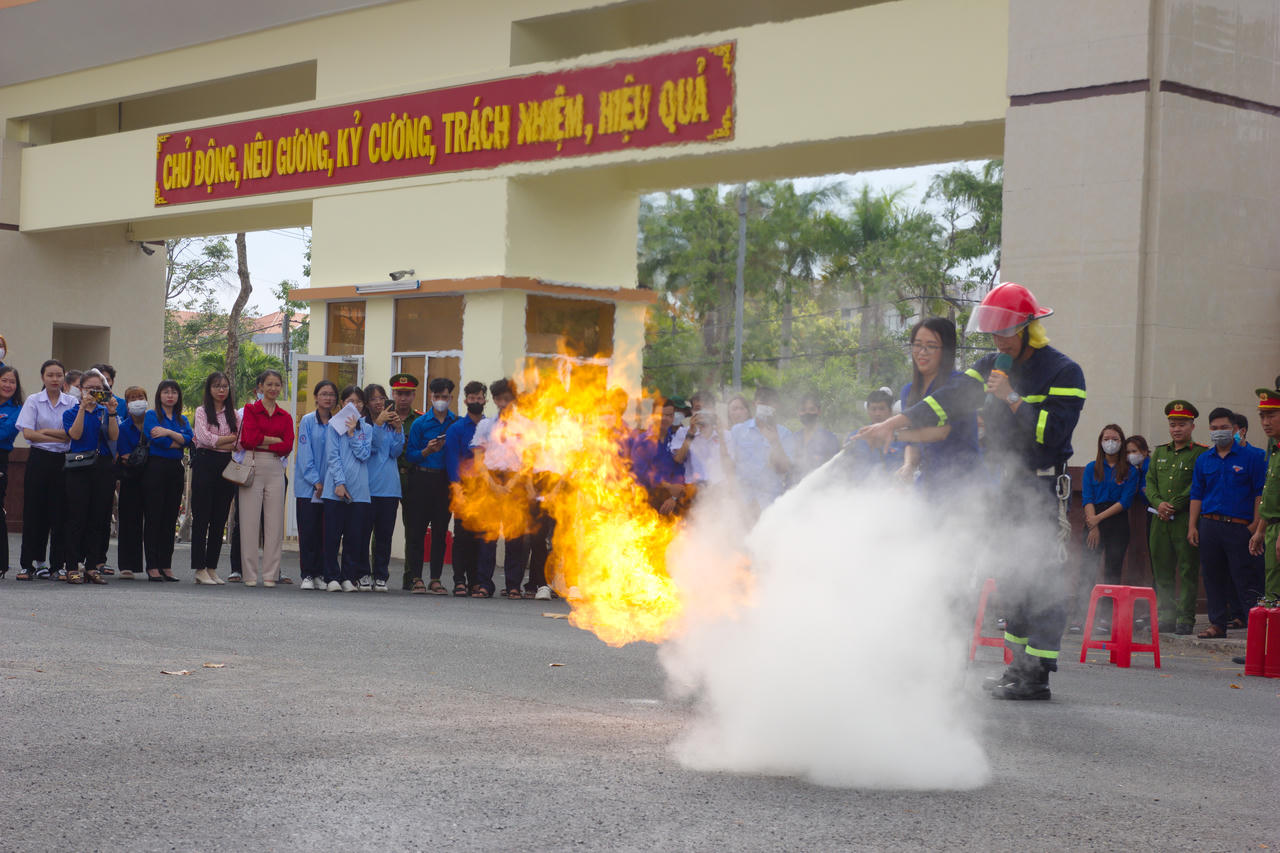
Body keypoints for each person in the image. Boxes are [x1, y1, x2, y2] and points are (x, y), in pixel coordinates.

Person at [863, 282, 1086, 700]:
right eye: (993, 333)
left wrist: (1013, 398)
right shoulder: (988, 364)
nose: (997, 341)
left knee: (1039, 577)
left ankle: (1037, 675)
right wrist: (891, 425)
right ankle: (1017, 668)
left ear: (1027, 329)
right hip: (1002, 484)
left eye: (1004, 332)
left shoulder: (1063, 372)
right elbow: (946, 399)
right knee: (1010, 575)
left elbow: (1052, 435)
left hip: (1039, 484)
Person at [1187, 407, 1266, 638]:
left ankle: (1256, 629)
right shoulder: (1204, 460)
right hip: (1209, 525)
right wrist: (1193, 526)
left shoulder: (1253, 457)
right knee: (1212, 576)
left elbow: (1260, 493)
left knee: (1245, 578)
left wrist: (1254, 525)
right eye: (1214, 428)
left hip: (1240, 527)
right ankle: (1217, 624)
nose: (1219, 432)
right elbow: (1197, 494)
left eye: (1224, 428)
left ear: (1235, 430)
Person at [894, 318, 981, 488]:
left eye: (931, 346)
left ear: (946, 351)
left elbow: (939, 432)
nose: (922, 352)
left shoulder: (959, 385)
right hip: (930, 481)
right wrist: (909, 465)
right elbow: (913, 438)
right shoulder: (908, 391)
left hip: (966, 483)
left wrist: (890, 433)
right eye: (917, 344)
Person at [1146, 401, 1209, 634]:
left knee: (1187, 569)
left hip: (1184, 519)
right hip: (1159, 519)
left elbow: (1198, 485)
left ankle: (1185, 617)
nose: (1176, 429)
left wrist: (1175, 504)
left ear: (1192, 426)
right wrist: (1157, 503)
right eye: (1173, 425)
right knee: (1161, 569)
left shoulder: (1200, 453)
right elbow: (1150, 482)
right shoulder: (1160, 452)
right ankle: (1166, 615)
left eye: (1181, 424)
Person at [471, 378, 532, 600]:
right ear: (494, 400)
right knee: (488, 536)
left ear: (513, 400)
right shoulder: (486, 426)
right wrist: (493, 485)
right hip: (491, 481)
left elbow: (528, 461)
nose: (503, 403)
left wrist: (511, 484)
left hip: (516, 481)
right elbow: (479, 460)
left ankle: (513, 585)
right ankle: (485, 584)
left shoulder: (524, 426)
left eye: (507, 399)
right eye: (499, 399)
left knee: (514, 536)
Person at [15, 359, 73, 580]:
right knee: (34, 512)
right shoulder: (33, 400)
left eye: (59, 375)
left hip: (62, 460)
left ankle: (58, 564)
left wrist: (45, 431)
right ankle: (30, 564)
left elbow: (71, 435)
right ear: (43, 378)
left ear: (64, 377)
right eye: (50, 375)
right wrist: (54, 433)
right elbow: (28, 434)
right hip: (38, 459)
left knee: (60, 513)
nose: (55, 379)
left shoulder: (71, 402)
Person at [1079, 424, 1139, 631]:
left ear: (1121, 442)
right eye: (1106, 438)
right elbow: (1087, 497)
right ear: (1100, 442)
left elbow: (1125, 501)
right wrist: (1092, 523)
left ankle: (1106, 618)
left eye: (1115, 439)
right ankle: (1082, 617)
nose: (1110, 443)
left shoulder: (1130, 470)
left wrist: (1098, 520)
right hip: (1092, 519)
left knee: (1113, 570)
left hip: (1116, 521)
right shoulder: (1091, 468)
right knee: (1087, 569)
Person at [237, 369, 293, 587]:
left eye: (277, 384)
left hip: (276, 467)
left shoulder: (285, 416)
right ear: (260, 386)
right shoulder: (251, 410)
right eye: (268, 384)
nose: (273, 388)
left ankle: (271, 574)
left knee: (274, 524)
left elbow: (287, 444)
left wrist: (264, 440)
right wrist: (273, 439)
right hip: (252, 464)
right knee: (249, 523)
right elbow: (248, 439)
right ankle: (250, 574)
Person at [62, 368, 118, 584]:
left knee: (98, 517)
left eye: (98, 389)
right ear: (80, 389)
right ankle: (72, 565)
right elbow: (74, 435)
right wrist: (83, 409)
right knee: (77, 517)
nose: (94, 392)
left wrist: (112, 412)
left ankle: (92, 565)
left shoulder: (105, 412)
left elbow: (114, 437)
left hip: (102, 467)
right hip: (79, 467)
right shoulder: (71, 412)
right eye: (89, 389)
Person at [404, 376, 459, 595]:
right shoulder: (420, 423)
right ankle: (416, 577)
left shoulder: (455, 423)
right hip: (421, 479)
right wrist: (427, 450)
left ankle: (435, 578)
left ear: (451, 398)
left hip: (444, 481)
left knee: (440, 532)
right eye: (437, 397)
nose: (440, 401)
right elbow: (410, 455)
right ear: (430, 396)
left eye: (444, 397)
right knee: (416, 531)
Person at [321, 385, 372, 592]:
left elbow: (364, 455)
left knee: (354, 537)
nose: (355, 405)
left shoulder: (367, 428)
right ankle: (331, 576)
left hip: (359, 491)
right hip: (336, 490)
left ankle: (348, 577)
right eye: (350, 401)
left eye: (359, 401)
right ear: (343, 404)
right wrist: (339, 484)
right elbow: (332, 457)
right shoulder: (333, 426)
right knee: (332, 536)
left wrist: (352, 434)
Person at [189, 372, 238, 585]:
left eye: (224, 386)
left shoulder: (234, 414)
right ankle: (199, 568)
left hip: (226, 466)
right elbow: (203, 439)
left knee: (220, 520)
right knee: (202, 518)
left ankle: (212, 567)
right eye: (217, 386)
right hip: (204, 463)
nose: (221, 390)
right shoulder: (201, 411)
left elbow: (240, 442)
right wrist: (226, 440)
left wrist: (220, 442)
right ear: (209, 389)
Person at [446, 380, 492, 597]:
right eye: (471, 398)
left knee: (482, 537)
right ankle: (459, 580)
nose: (475, 401)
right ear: (465, 401)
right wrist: (457, 490)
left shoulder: (491, 427)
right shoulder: (456, 428)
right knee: (462, 536)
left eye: (479, 398)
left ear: (485, 400)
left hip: (486, 491)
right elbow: (452, 460)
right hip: (464, 489)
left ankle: (477, 581)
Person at [141, 380, 192, 582]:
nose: (170, 396)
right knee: (154, 517)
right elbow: (156, 440)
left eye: (174, 392)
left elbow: (189, 440)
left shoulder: (181, 418)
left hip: (175, 469)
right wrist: (177, 440)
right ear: (159, 395)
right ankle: (152, 565)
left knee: (170, 518)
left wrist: (170, 433)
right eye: (166, 392)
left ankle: (166, 564)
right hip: (155, 468)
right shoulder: (152, 415)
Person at [727, 386, 796, 518]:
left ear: (776, 407)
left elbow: (784, 469)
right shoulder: (738, 431)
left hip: (770, 504)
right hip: (743, 503)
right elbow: (730, 466)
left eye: (769, 404)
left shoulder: (785, 434)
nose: (765, 407)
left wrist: (775, 441)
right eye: (761, 403)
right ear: (755, 404)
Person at [295, 380, 337, 590]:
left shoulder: (338, 422)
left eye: (331, 394)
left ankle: (320, 573)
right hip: (308, 486)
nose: (328, 397)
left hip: (330, 488)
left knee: (325, 531)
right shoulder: (308, 421)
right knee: (308, 530)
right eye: (324, 394)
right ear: (316, 397)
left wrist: (329, 483)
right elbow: (304, 455)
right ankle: (308, 574)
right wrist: (315, 481)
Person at [362, 382, 403, 593]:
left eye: (381, 398)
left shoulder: (392, 423)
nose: (379, 403)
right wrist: (377, 424)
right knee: (363, 533)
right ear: (367, 404)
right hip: (368, 488)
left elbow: (396, 452)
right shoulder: (364, 424)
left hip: (390, 488)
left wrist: (398, 429)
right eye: (374, 399)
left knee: (384, 535)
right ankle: (363, 573)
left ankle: (380, 575)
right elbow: (371, 448)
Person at [388, 373, 424, 589]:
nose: (403, 398)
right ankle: (376, 575)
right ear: (393, 394)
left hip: (412, 478)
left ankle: (411, 577)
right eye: (399, 393)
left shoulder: (419, 420)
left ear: (413, 396)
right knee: (382, 528)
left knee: (414, 530)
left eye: (407, 394)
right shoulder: (382, 418)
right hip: (388, 477)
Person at [114, 385, 150, 580]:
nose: (137, 400)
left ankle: (155, 565)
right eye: (133, 398)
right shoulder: (122, 427)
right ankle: (127, 565)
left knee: (153, 523)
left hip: (153, 479)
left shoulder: (153, 423)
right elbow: (126, 456)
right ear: (127, 404)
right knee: (129, 522)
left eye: (141, 397)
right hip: (131, 479)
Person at [1248, 388, 1280, 602]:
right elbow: (1270, 495)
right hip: (1272, 527)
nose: (1266, 422)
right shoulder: (1275, 449)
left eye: (1272, 415)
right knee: (1273, 592)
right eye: (1262, 416)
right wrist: (1260, 530)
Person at [630, 396, 686, 515]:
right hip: (645, 499)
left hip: (670, 500)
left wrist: (673, 498)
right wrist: (668, 486)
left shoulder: (675, 441)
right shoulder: (642, 441)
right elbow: (643, 472)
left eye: (669, 415)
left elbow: (679, 470)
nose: (665, 418)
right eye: (661, 414)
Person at [671, 390, 732, 490]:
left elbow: (728, 465)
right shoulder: (683, 432)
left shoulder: (726, 435)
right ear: (692, 412)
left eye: (707, 408)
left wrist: (720, 435)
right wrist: (690, 433)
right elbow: (678, 459)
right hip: (692, 490)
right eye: (698, 408)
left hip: (720, 489)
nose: (703, 412)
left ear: (713, 410)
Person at [841, 388, 906, 480]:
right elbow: (845, 466)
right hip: (860, 491)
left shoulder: (903, 438)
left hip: (894, 491)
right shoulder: (856, 437)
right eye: (873, 409)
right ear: (868, 411)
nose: (877, 413)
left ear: (890, 410)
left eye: (882, 409)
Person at [0, 366, 21, 578]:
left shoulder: (16, 409)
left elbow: (5, 433)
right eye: (4, 380)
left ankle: (1, 564)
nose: (8, 385)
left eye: (12, 382)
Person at [794, 392, 840, 480]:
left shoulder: (829, 439)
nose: (807, 413)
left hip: (819, 490)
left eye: (811, 409)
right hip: (794, 490)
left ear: (819, 411)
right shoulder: (794, 438)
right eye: (803, 410)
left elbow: (834, 470)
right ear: (798, 413)